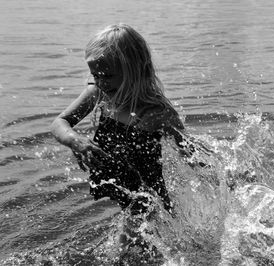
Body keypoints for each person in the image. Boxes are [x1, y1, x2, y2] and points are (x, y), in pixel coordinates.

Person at [51, 23, 186, 215]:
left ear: (135, 70)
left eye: (106, 75)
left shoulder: (156, 112)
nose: (99, 82)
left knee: (145, 223)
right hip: (116, 179)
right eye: (94, 74)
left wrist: (224, 174)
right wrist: (76, 142)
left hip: (147, 192)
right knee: (132, 227)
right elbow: (59, 123)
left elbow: (189, 150)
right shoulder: (98, 93)